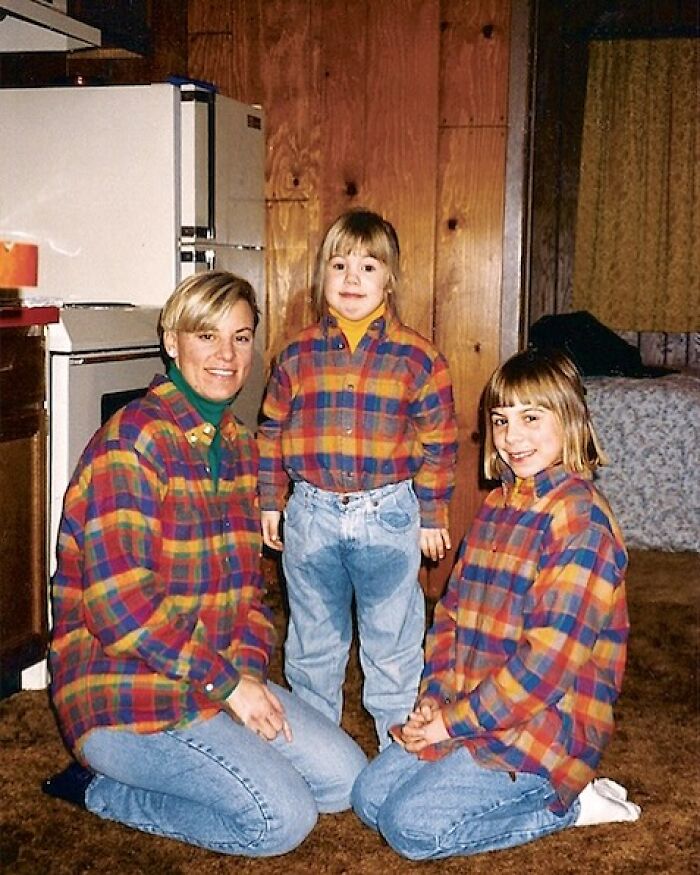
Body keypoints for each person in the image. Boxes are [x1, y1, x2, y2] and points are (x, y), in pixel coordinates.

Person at [43, 271, 367, 857]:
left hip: (206, 675)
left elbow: (248, 594)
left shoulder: (240, 446)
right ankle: (98, 790)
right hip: (121, 690)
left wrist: (241, 677)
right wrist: (227, 685)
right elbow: (120, 609)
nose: (226, 356)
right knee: (281, 820)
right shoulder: (132, 445)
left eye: (241, 338)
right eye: (207, 336)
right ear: (171, 341)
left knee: (345, 779)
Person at [351, 348, 641, 859]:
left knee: (412, 830)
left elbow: (544, 669)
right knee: (369, 799)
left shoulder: (581, 523)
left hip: (544, 733)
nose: (513, 437)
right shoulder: (496, 507)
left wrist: (448, 724)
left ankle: (572, 804)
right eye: (502, 420)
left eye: (532, 418)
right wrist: (435, 699)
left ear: (570, 419)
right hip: (473, 711)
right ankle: (466, 751)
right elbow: (452, 616)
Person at [257, 209, 458, 750]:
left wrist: (433, 515)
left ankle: (399, 754)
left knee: (392, 644)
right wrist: (270, 501)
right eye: (340, 265)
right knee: (312, 643)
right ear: (322, 273)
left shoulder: (420, 358)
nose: (351, 279)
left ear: (389, 279)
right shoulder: (295, 355)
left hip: (389, 516)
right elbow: (271, 430)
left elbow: (440, 442)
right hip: (311, 515)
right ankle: (315, 753)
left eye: (368, 267)